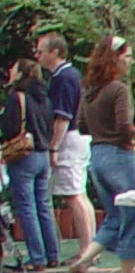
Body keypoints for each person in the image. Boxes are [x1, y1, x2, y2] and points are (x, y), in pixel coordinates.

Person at [68, 36, 135, 273]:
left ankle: (83, 261)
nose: (130, 62)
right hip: (119, 157)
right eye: (127, 56)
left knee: (114, 216)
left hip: (97, 157)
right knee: (132, 212)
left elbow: (80, 126)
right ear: (115, 58)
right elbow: (124, 128)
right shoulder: (118, 89)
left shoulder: (87, 90)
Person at [34, 34, 91, 255]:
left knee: (73, 195)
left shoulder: (63, 78)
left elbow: (62, 117)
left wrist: (53, 147)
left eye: (41, 51)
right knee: (79, 193)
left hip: (69, 139)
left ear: (54, 52)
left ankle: (86, 248)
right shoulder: (70, 75)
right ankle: (89, 247)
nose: (37, 56)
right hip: (77, 138)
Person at [1, 58, 57, 268]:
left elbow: (9, 127)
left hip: (24, 156)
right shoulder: (44, 98)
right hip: (42, 154)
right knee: (43, 205)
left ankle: (37, 257)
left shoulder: (17, 98)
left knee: (26, 207)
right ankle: (52, 254)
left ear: (21, 74)